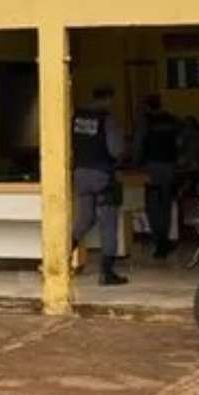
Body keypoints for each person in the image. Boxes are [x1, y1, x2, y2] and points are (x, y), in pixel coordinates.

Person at [71, 85, 128, 286]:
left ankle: (61, 258)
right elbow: (115, 149)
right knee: (108, 224)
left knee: (84, 219)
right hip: (102, 175)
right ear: (107, 99)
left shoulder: (76, 117)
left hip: (80, 173)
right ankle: (107, 273)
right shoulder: (107, 119)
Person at [133, 93, 181, 260]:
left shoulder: (145, 121)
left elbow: (139, 143)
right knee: (165, 205)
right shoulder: (171, 120)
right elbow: (183, 140)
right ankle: (164, 240)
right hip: (169, 166)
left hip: (152, 167)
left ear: (146, 106)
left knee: (153, 206)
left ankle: (159, 242)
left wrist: (135, 163)